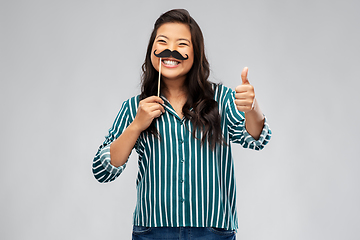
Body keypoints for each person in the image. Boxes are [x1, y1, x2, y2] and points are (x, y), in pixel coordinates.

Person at [92, 9, 271, 240]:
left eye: (182, 43)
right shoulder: (134, 108)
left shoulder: (222, 100)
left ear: (196, 53)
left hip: (213, 231)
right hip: (153, 231)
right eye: (163, 41)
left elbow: (257, 138)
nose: (171, 50)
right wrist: (137, 125)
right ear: (152, 51)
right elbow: (102, 170)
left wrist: (252, 106)